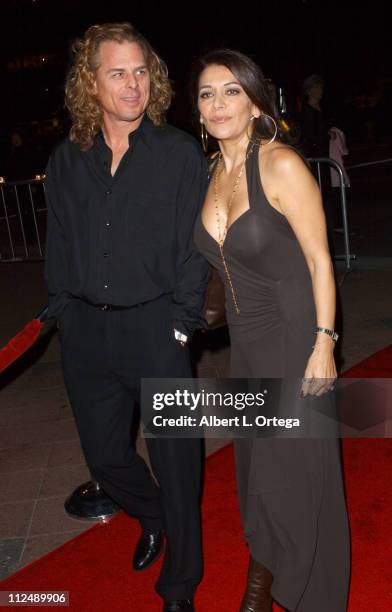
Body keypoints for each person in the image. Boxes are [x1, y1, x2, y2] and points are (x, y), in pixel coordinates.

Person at [44, 22, 209, 612]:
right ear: (91, 81)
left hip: (157, 328)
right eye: (118, 72)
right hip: (87, 331)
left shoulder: (179, 152)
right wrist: (62, 308)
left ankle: (180, 588)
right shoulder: (68, 160)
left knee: (179, 462)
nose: (133, 84)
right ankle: (155, 514)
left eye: (141, 70)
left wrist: (182, 322)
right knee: (106, 457)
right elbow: (58, 240)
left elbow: (197, 245)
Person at [192, 49, 350, 611]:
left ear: (256, 100)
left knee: (298, 479)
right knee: (258, 471)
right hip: (246, 345)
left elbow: (320, 261)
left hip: (293, 339)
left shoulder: (280, 164)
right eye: (208, 93)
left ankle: (314, 596)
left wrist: (324, 345)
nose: (219, 104)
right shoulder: (211, 171)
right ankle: (270, 577)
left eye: (232, 90)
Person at [299, 74, 330, 158]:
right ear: (309, 91)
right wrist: (328, 135)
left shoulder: (321, 107)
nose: (320, 90)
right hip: (316, 154)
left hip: (325, 150)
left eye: (321, 87)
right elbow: (310, 135)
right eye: (317, 87)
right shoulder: (307, 110)